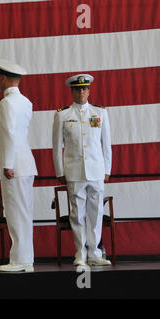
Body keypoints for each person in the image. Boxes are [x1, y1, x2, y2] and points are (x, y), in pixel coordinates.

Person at [52, 74, 112, 267]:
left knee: (95, 213)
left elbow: (106, 144)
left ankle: (94, 253)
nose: (81, 92)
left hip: (96, 170)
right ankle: (80, 253)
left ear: (89, 90)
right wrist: (59, 170)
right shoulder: (63, 115)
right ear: (72, 91)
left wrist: (107, 169)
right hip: (74, 171)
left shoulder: (100, 113)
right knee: (77, 214)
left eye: (84, 88)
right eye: (77, 89)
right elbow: (56, 146)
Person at [0, 60, 38, 272]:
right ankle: (26, 260)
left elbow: (10, 134)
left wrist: (7, 164)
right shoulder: (26, 101)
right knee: (24, 213)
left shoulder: (6, 103)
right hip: (25, 163)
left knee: (16, 213)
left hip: (15, 166)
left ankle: (19, 260)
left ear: (2, 78)